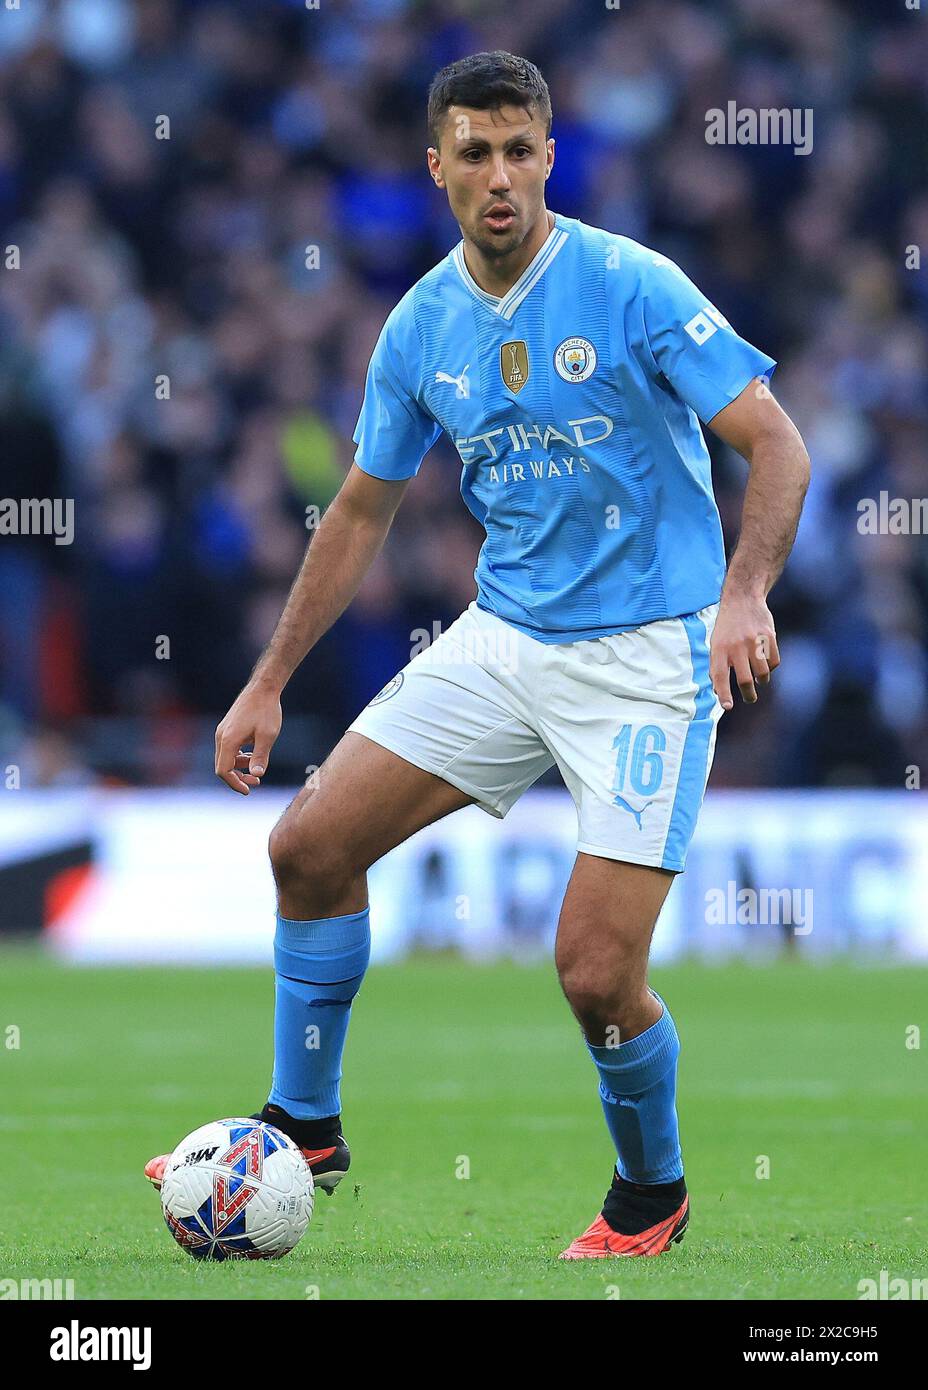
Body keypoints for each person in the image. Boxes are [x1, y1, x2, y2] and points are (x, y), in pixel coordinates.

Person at [145, 51, 810, 1259]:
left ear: (549, 157)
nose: (498, 176)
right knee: (306, 847)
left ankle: (648, 1196)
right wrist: (266, 681)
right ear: (437, 165)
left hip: (649, 657)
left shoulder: (629, 283)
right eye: (475, 153)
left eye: (519, 151)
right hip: (506, 638)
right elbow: (356, 511)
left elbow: (776, 445)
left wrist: (742, 591)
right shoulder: (421, 326)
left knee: (597, 976)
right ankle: (306, 1117)